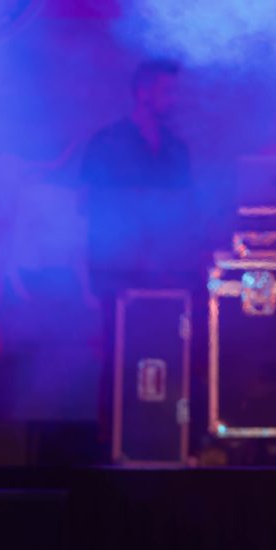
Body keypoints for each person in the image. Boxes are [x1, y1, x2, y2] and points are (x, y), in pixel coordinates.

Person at [80, 59, 196, 457]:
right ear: (144, 91)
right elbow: (93, 212)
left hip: (165, 270)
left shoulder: (176, 149)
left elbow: (185, 210)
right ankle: (111, 439)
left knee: (165, 351)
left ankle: (160, 435)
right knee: (117, 354)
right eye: (167, 90)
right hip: (117, 269)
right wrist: (91, 275)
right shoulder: (106, 143)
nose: (173, 98)